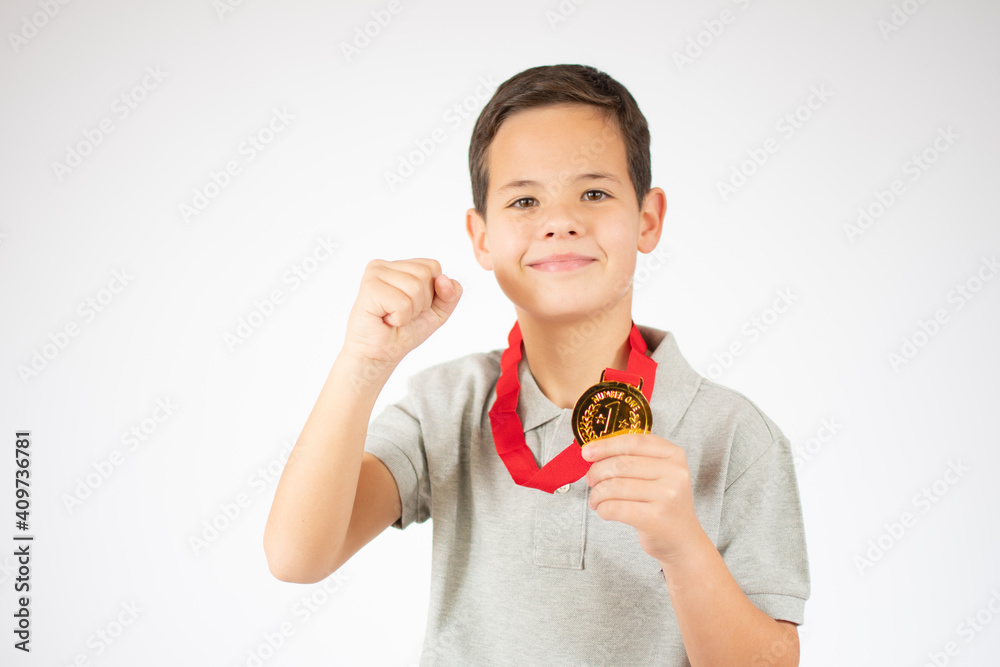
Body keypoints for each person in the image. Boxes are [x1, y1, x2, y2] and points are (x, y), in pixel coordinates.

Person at [264, 63, 810, 666]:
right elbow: (296, 557)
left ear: (648, 219)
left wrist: (684, 549)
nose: (559, 222)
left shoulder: (736, 435)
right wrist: (363, 363)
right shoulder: (445, 406)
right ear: (481, 237)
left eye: (594, 193)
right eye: (524, 200)